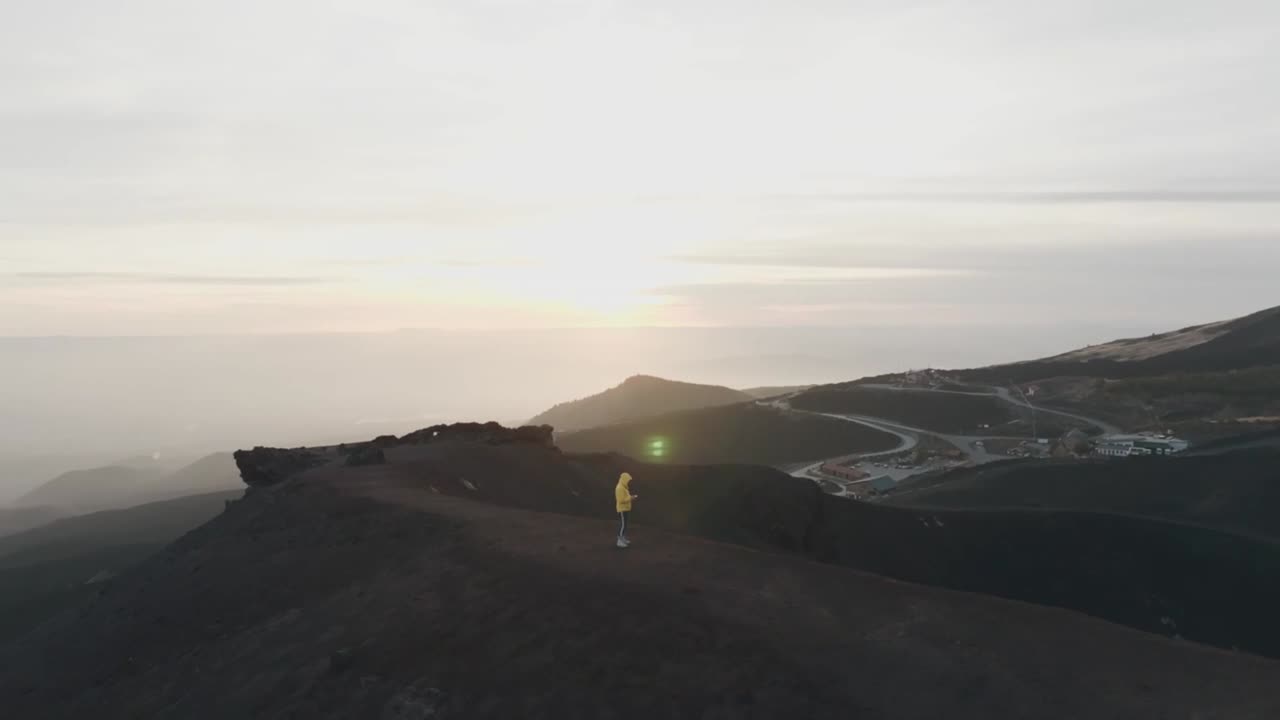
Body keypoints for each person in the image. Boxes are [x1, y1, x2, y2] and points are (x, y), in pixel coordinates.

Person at [615, 472, 637, 548]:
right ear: (624, 479)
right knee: (622, 525)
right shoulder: (620, 488)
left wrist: (631, 497)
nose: (629, 481)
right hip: (622, 510)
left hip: (625, 509)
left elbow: (625, 498)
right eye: (628, 480)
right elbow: (621, 500)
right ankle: (619, 541)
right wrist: (631, 498)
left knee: (625, 525)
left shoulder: (623, 487)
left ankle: (622, 538)